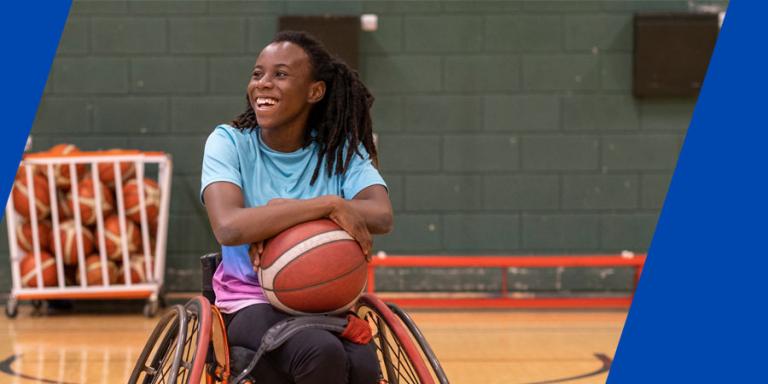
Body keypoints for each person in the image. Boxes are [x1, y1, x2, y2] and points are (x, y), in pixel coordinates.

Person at [200, 31, 393, 384]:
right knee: (321, 352)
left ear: (314, 91)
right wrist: (326, 205)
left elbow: (381, 214)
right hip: (251, 301)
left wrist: (280, 215)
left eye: (281, 74)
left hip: (326, 300)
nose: (263, 84)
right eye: (258, 74)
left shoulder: (340, 151)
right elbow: (228, 226)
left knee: (364, 365)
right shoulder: (228, 142)